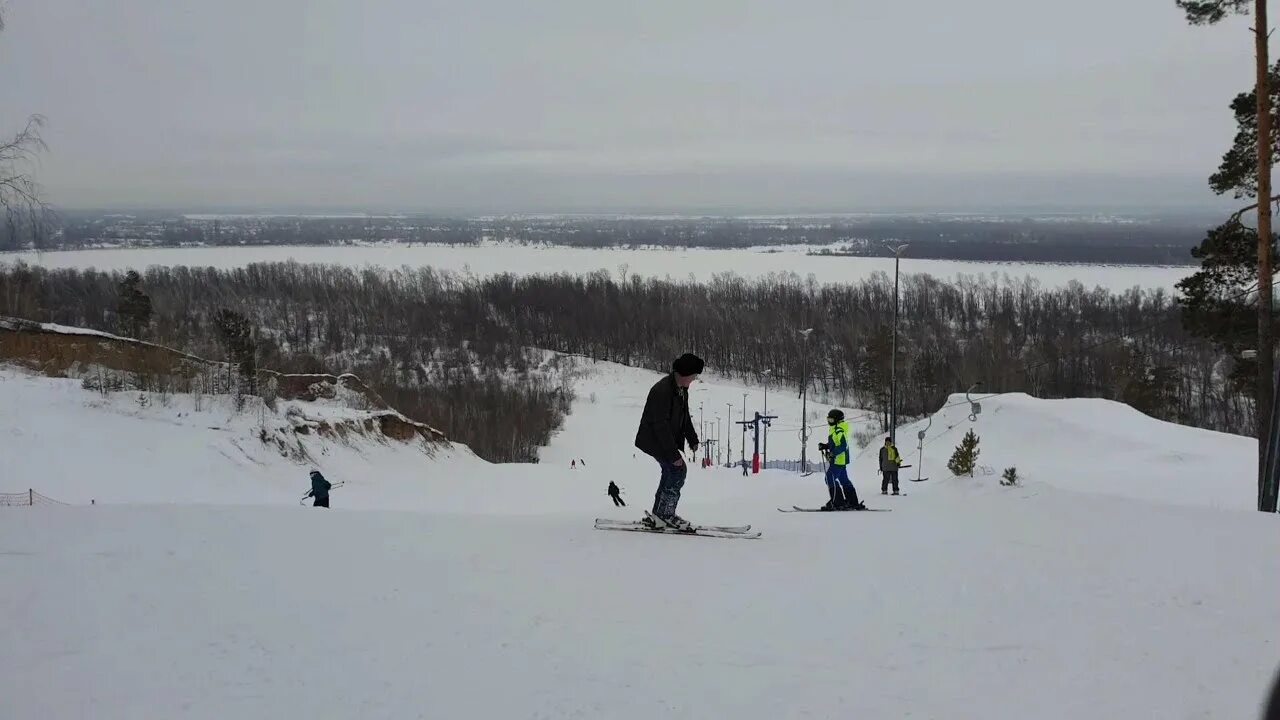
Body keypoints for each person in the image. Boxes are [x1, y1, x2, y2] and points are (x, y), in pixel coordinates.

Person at [634, 352, 702, 529]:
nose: (694, 379)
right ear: (685, 374)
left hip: (663, 438)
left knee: (671, 471)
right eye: (693, 376)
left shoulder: (681, 389)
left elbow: (684, 417)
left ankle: (660, 513)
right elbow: (660, 426)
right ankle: (665, 514)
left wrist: (692, 439)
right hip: (654, 439)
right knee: (677, 470)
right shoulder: (662, 390)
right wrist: (674, 455)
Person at [818, 408, 864, 510]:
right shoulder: (835, 429)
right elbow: (835, 444)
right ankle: (852, 501)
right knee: (844, 480)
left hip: (838, 459)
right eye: (828, 420)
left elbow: (843, 445)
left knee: (829, 478)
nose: (829, 422)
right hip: (840, 459)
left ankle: (838, 502)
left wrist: (833, 453)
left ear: (837, 420)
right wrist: (826, 446)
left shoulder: (839, 430)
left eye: (831, 420)